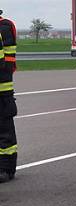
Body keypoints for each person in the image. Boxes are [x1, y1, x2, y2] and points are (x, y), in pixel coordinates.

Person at [0, 9, 16, 183]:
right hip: (4, 87)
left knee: (4, 131)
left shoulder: (3, 27)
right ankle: (7, 168)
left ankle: (6, 169)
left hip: (2, 88)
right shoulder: (5, 26)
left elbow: (3, 61)